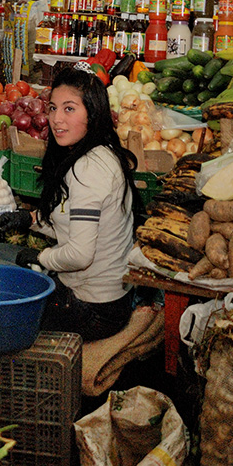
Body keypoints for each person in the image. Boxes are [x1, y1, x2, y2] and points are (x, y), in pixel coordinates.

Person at [14, 63, 143, 342]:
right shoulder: (99, 152)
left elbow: (80, 255)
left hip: (94, 310)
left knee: (1, 306)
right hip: (104, 297)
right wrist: (32, 221)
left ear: (93, 114)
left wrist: (39, 258)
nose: (56, 119)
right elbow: (74, 222)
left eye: (69, 109)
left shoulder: (89, 169)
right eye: (52, 108)